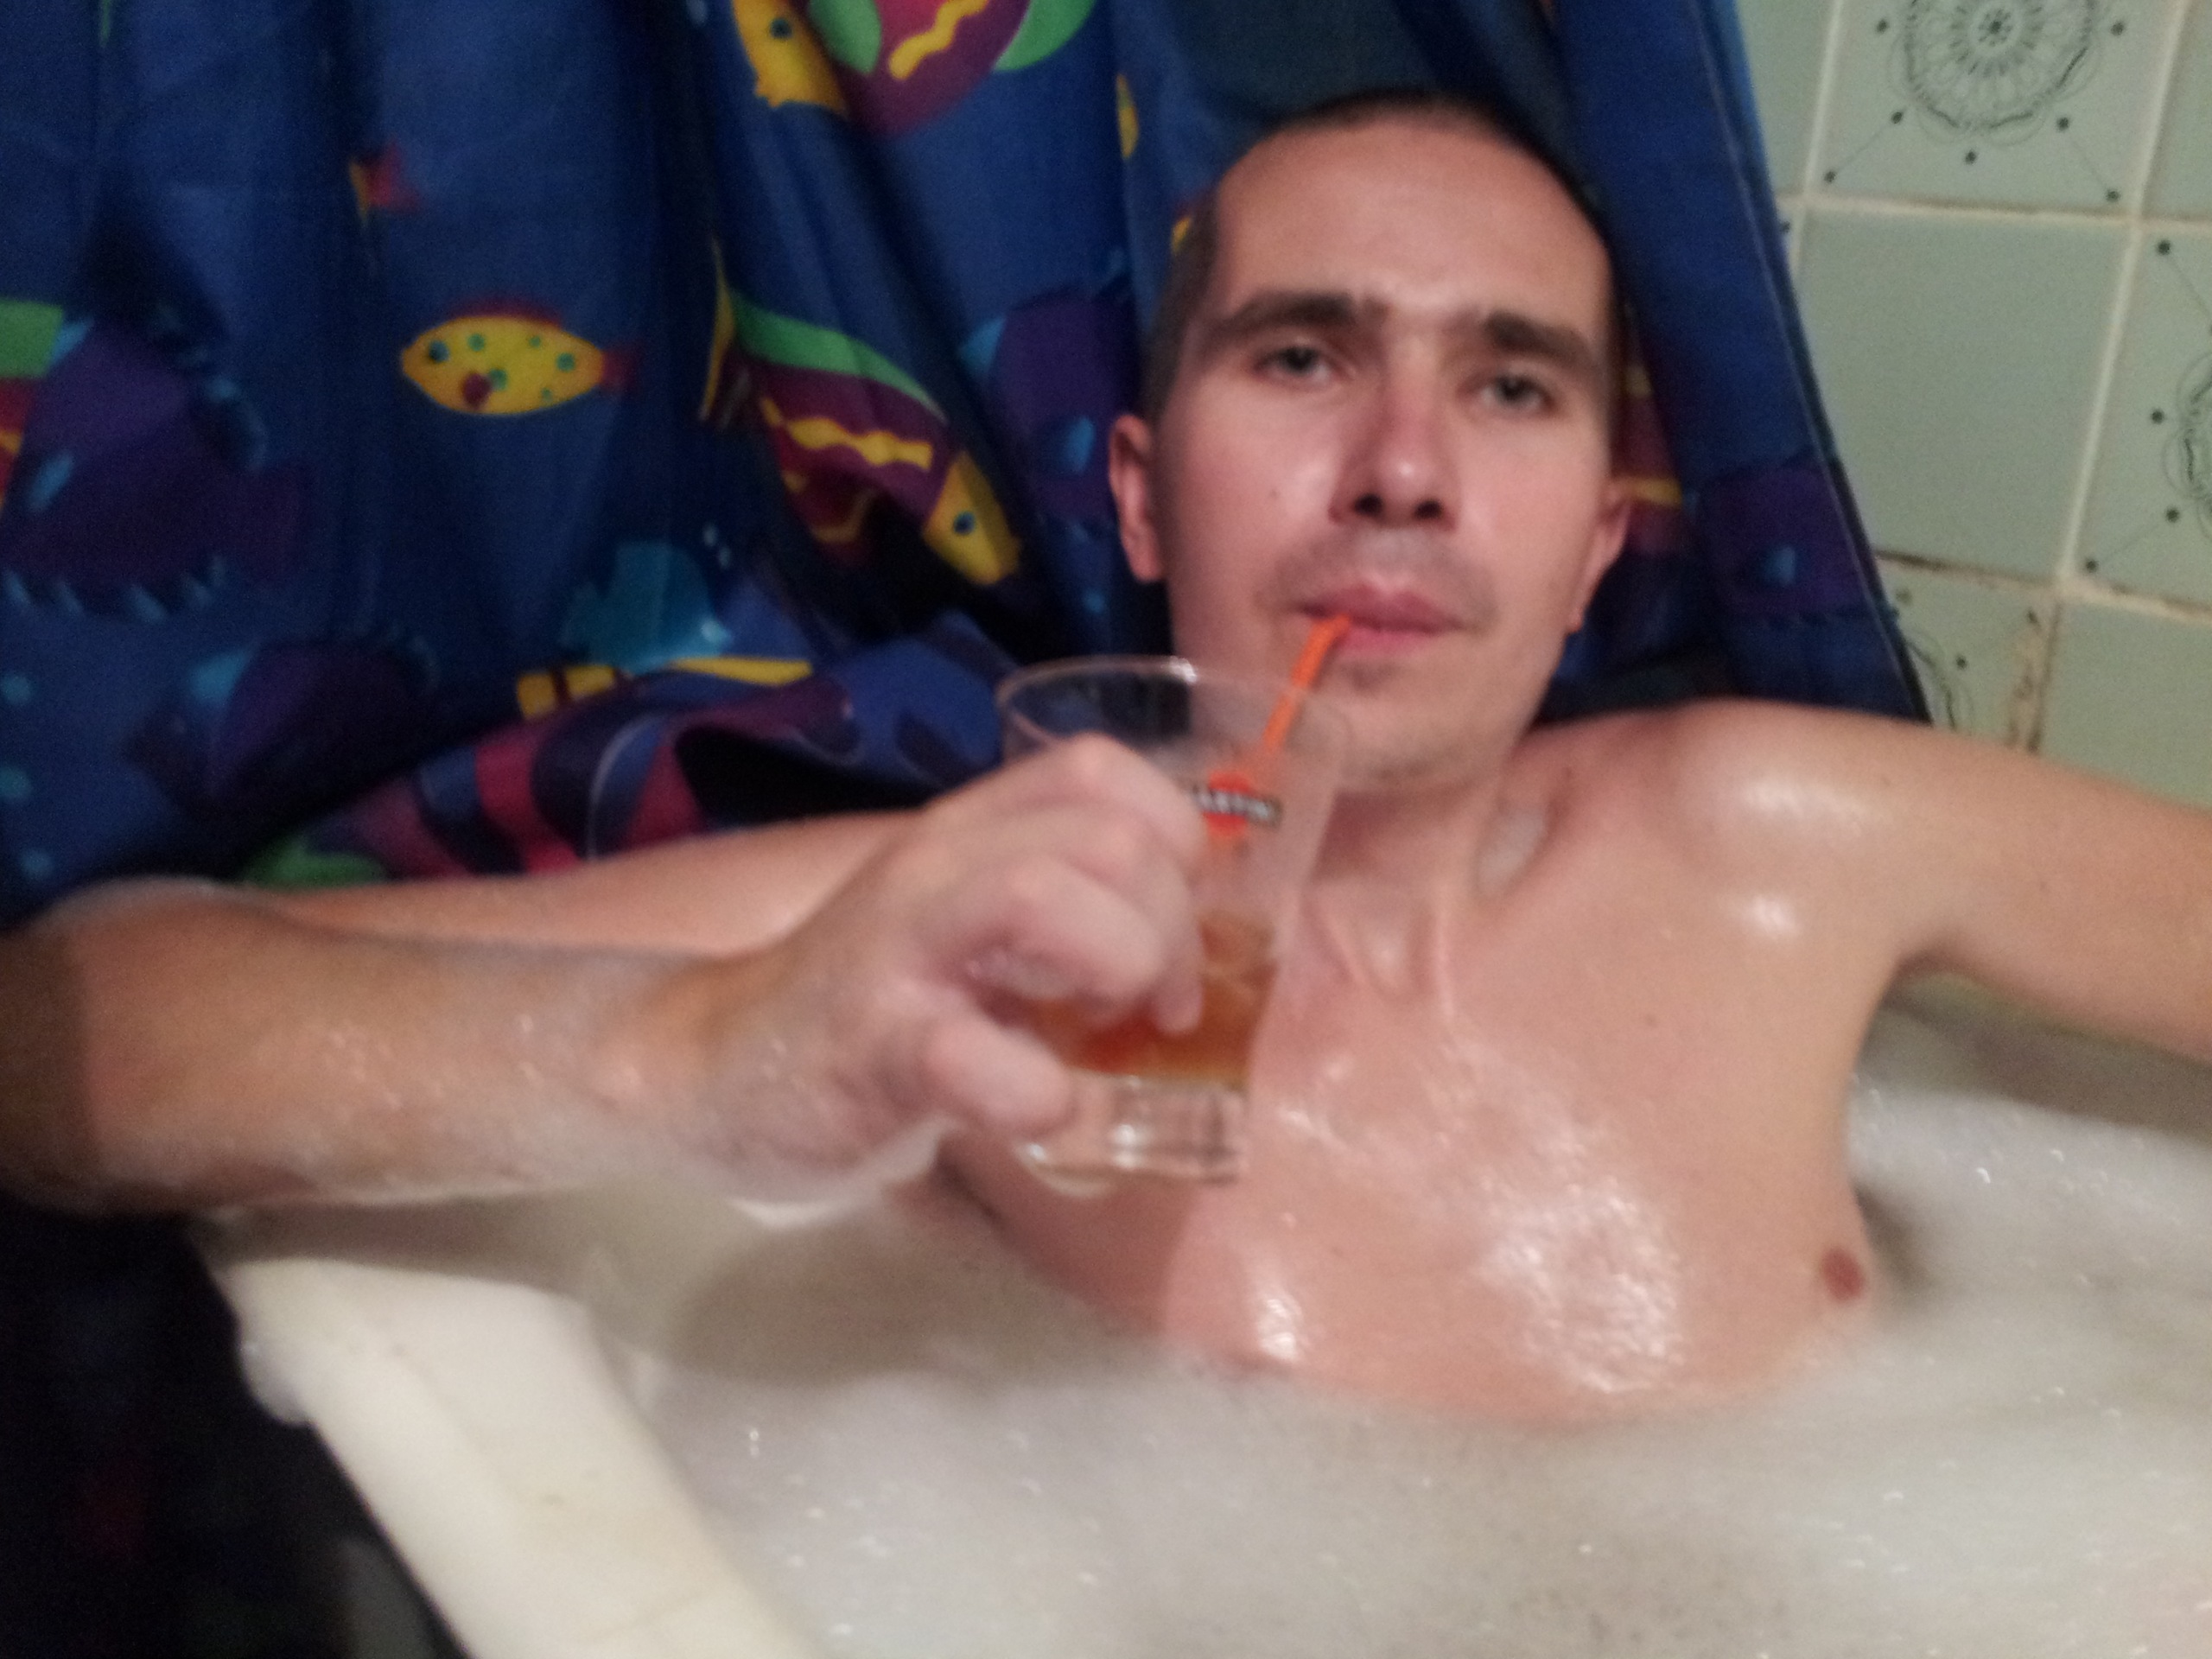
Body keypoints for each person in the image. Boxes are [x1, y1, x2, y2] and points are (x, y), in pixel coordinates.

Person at [3, 91, 2208, 1426]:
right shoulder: (976, 951)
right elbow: (64, 1034)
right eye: (1303, 357)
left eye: (1511, 385)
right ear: (1145, 502)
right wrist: (705, 1051)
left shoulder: (1787, 835)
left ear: (1594, 548)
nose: (1402, 467)